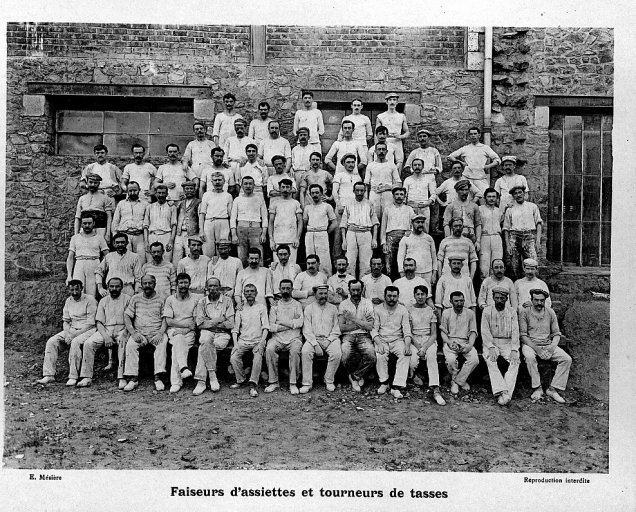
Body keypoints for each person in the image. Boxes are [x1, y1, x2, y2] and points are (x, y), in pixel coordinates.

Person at [36, 280, 97, 386]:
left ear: (81, 288)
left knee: (75, 343)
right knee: (52, 342)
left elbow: (91, 323)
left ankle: (73, 376)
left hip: (88, 330)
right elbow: (66, 321)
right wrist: (68, 334)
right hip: (72, 329)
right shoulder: (68, 301)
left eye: (76, 289)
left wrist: (73, 336)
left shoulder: (90, 300)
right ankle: (49, 375)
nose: (74, 292)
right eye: (72, 289)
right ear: (69, 289)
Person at [76, 277, 130, 389]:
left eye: (117, 286)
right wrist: (106, 337)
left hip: (123, 329)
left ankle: (122, 377)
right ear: (108, 287)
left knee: (123, 343)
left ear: (121, 287)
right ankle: (86, 377)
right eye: (111, 286)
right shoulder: (103, 301)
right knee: (88, 343)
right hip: (106, 329)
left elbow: (130, 320)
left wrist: (125, 333)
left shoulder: (127, 299)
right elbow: (99, 322)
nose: (114, 289)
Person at [520, 289, 571, 404]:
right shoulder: (525, 312)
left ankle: (552, 389)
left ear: (545, 301)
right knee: (529, 357)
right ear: (531, 300)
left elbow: (556, 334)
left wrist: (552, 347)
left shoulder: (550, 312)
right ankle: (537, 388)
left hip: (547, 344)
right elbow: (523, 336)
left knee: (566, 359)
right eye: (536, 300)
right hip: (530, 344)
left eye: (542, 301)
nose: (539, 303)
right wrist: (537, 350)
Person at [121, 274, 168, 392]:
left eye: (150, 283)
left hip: (155, 333)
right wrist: (133, 332)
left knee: (162, 344)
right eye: (145, 283)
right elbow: (127, 315)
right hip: (139, 333)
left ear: (155, 284)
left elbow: (165, 318)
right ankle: (133, 379)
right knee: (131, 345)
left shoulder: (161, 299)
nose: (147, 286)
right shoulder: (135, 298)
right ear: (141, 285)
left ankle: (158, 378)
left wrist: (160, 333)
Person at [192, 277, 235, 395]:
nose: (212, 288)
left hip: (222, 335)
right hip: (207, 333)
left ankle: (201, 382)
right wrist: (219, 320)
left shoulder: (227, 301)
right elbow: (200, 324)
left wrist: (210, 322)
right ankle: (212, 376)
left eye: (215, 286)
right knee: (206, 341)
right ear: (206, 288)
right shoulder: (202, 302)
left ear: (220, 288)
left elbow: (230, 323)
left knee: (204, 348)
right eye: (210, 286)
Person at [482, 287, 521, 406]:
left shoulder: (512, 312)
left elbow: (515, 332)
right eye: (497, 298)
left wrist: (514, 349)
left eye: (502, 298)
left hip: (508, 342)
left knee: (515, 361)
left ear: (506, 299)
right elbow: (485, 330)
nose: (499, 300)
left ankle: (506, 393)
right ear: (493, 298)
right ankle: (502, 391)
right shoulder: (487, 311)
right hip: (492, 342)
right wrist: (491, 347)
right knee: (491, 359)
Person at [408, 284, 445, 405]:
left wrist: (424, 347)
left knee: (431, 356)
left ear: (426, 296)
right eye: (417, 294)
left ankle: (435, 388)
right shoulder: (410, 310)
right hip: (414, 340)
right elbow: (409, 332)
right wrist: (419, 347)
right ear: (414, 295)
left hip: (428, 340)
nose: (420, 297)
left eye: (422, 294)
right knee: (412, 360)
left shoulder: (431, 311)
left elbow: (434, 334)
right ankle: (413, 376)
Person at [264, 279, 304, 395]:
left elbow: (300, 323)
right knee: (269, 349)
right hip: (277, 338)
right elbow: (271, 326)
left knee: (296, 350)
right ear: (280, 290)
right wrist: (291, 324)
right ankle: (273, 382)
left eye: (288, 288)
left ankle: (293, 383)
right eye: (283, 288)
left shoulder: (297, 305)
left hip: (294, 338)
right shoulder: (275, 306)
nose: (285, 291)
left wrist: (281, 322)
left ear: (292, 289)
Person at [300, 284, 342, 393]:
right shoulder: (309, 309)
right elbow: (307, 330)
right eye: (320, 293)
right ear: (315, 294)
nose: (323, 296)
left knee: (337, 353)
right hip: (313, 339)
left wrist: (329, 340)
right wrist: (315, 344)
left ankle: (329, 380)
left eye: (325, 293)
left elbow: (337, 328)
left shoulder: (333, 308)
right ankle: (307, 383)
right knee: (305, 352)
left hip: (330, 339)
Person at [372, 286, 412, 399]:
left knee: (405, 354)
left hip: (397, 340)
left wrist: (407, 345)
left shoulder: (403, 310)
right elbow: (373, 329)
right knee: (380, 355)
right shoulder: (378, 309)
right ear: (384, 296)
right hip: (382, 339)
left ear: (398, 297)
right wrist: (378, 343)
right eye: (389, 296)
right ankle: (384, 383)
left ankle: (396, 387)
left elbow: (407, 330)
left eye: (394, 296)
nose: (392, 298)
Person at [230, 284, 269, 397]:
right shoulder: (240, 309)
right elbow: (235, 329)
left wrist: (262, 342)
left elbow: (265, 327)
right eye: (247, 291)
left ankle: (253, 384)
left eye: (252, 291)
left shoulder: (261, 307)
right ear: (243, 294)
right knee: (234, 357)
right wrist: (236, 344)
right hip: (243, 340)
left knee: (257, 356)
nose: (249, 293)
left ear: (256, 293)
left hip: (258, 340)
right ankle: (240, 379)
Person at [163, 272, 199, 394]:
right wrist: (184, 326)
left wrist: (185, 329)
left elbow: (194, 321)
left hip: (189, 332)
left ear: (189, 284)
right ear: (177, 284)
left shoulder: (195, 299)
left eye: (185, 282)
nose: (183, 285)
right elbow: (168, 320)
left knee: (177, 348)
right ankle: (184, 368)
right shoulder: (170, 299)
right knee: (178, 340)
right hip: (174, 330)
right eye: (181, 283)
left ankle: (176, 382)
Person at [338, 279, 376, 392]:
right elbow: (342, 327)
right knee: (345, 355)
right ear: (349, 290)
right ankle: (358, 375)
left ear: (362, 289)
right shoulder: (343, 304)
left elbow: (369, 327)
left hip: (364, 335)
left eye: (358, 290)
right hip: (348, 335)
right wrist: (362, 322)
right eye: (353, 290)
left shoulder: (368, 303)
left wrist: (353, 319)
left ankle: (355, 376)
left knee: (371, 356)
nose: (355, 293)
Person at [440, 291, 479, 395]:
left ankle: (459, 381)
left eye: (461, 301)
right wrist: (448, 342)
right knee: (451, 360)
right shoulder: (446, 313)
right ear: (451, 301)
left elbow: (473, 331)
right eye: (456, 301)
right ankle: (454, 381)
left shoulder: (470, 313)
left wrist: (470, 345)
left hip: (465, 341)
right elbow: (443, 333)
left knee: (474, 359)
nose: (459, 303)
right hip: (450, 341)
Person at [447, 126, 501, 201]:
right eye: (471, 134)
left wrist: (488, 166)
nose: (473, 136)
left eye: (475, 133)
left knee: (485, 199)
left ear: (479, 135)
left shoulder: (485, 148)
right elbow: (450, 157)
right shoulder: (465, 148)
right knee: (467, 200)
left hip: (480, 177)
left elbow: (497, 159)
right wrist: (462, 163)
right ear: (469, 136)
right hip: (467, 177)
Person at [340, 181, 379, 278]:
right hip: (351, 233)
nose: (359, 193)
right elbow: (343, 223)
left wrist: (374, 239)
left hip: (366, 233)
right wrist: (344, 240)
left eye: (362, 190)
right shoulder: (349, 204)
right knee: (350, 261)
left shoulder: (369, 204)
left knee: (366, 263)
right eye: (357, 190)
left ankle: (364, 283)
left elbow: (375, 223)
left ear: (365, 191)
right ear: (353, 191)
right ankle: (350, 284)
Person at [503, 185, 542, 279]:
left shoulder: (532, 206)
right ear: (513, 196)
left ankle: (532, 286)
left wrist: (538, 240)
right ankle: (518, 285)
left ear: (524, 193)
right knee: (514, 265)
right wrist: (508, 245)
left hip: (529, 237)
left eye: (520, 192)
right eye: (515, 193)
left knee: (532, 263)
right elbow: (506, 229)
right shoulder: (510, 209)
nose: (518, 195)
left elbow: (539, 223)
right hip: (515, 237)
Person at [67, 212, 109, 297]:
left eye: (89, 223)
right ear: (81, 224)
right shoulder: (75, 238)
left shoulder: (99, 238)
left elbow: (107, 256)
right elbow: (70, 257)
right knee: (78, 291)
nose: (87, 225)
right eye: (84, 223)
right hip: (79, 264)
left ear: (93, 223)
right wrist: (69, 275)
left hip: (94, 264)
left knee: (92, 293)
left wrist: (102, 269)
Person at [230, 176, 268, 265]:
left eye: (250, 184)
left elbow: (265, 217)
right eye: (245, 184)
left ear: (254, 185)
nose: (248, 186)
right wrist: (234, 234)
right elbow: (233, 218)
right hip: (241, 230)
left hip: (256, 230)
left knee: (258, 257)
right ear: (241, 185)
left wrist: (264, 233)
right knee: (242, 257)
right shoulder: (237, 200)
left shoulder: (259, 199)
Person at [303, 184, 337, 276]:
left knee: (324, 259)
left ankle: (326, 279)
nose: (315, 195)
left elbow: (334, 223)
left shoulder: (327, 206)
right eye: (312, 193)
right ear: (310, 194)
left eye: (317, 192)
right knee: (310, 258)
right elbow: (305, 224)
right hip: (310, 234)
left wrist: (325, 232)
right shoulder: (307, 208)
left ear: (321, 193)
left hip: (322, 234)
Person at [95, 232, 143, 297]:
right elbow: (99, 271)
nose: (120, 244)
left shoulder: (135, 257)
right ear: (114, 243)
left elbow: (138, 277)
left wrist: (136, 292)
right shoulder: (109, 256)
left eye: (122, 242)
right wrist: (100, 288)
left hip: (127, 289)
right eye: (117, 242)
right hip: (112, 289)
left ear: (127, 243)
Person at [380, 188, 415, 280]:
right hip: (391, 238)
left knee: (404, 261)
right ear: (393, 196)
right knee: (389, 263)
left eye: (401, 194)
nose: (399, 196)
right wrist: (383, 243)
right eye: (397, 194)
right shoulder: (388, 209)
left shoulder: (409, 209)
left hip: (405, 237)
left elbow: (414, 223)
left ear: (404, 196)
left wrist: (410, 230)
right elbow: (383, 227)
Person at [332, 153, 362, 254]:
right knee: (339, 234)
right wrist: (338, 204)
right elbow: (334, 192)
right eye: (348, 162)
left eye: (353, 162)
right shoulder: (339, 176)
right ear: (343, 164)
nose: (351, 164)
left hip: (354, 208)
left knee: (351, 235)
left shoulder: (357, 177)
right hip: (342, 207)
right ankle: (337, 259)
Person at [364, 141, 401, 223]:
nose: (381, 151)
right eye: (379, 149)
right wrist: (366, 199)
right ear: (375, 151)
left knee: (387, 218)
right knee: (373, 218)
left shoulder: (392, 165)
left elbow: (399, 183)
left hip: (388, 194)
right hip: (374, 193)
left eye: (383, 149)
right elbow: (366, 184)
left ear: (387, 151)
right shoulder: (370, 165)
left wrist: (388, 187)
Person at [199, 171, 233, 258]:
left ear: (224, 181)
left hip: (223, 222)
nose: (217, 182)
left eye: (219, 180)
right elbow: (202, 214)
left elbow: (231, 215)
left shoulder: (228, 196)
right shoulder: (206, 195)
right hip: (209, 223)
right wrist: (201, 230)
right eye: (215, 180)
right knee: (208, 250)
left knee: (222, 249)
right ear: (212, 182)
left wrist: (231, 231)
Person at [112, 181, 148, 262]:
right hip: (125, 235)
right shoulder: (121, 204)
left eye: (135, 190)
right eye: (130, 191)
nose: (132, 193)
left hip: (139, 236)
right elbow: (115, 222)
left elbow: (147, 222)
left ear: (139, 190)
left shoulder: (145, 204)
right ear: (127, 191)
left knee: (141, 259)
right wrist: (115, 237)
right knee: (126, 260)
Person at [397, 214, 437, 283]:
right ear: (412, 223)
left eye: (422, 222)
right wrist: (402, 273)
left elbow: (434, 257)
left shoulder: (429, 238)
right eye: (418, 222)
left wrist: (434, 273)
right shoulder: (406, 238)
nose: (420, 224)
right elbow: (400, 257)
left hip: (427, 273)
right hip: (412, 273)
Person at [75, 173, 114, 243]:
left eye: (95, 183)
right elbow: (78, 217)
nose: (93, 185)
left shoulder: (105, 198)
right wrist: (76, 234)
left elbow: (109, 217)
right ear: (87, 183)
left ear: (99, 184)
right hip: (84, 230)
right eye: (90, 182)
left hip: (100, 229)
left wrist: (108, 233)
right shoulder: (82, 199)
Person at [376, 92, 409, 172]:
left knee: (399, 163)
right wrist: (377, 145)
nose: (392, 102)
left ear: (397, 102)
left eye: (394, 100)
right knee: (386, 164)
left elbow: (407, 132)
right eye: (390, 100)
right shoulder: (381, 116)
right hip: (386, 142)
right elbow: (376, 133)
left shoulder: (401, 116)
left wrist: (400, 136)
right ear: (387, 102)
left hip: (397, 142)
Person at [443, 179, 482, 247]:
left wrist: (478, 241)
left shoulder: (474, 206)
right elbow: (446, 224)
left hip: (471, 234)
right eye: (461, 190)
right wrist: (448, 240)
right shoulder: (451, 206)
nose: (464, 192)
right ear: (457, 191)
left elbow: (478, 224)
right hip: (455, 235)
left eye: (466, 190)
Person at [143, 183, 177, 263]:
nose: (161, 195)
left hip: (166, 235)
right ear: (155, 193)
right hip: (152, 236)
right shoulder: (149, 207)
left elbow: (174, 225)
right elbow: (145, 226)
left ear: (167, 194)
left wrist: (171, 241)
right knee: (150, 261)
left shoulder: (172, 207)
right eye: (159, 193)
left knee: (166, 260)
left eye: (163, 193)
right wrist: (146, 242)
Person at [403, 158, 437, 232]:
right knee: (410, 230)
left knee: (424, 231)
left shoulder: (428, 179)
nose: (417, 167)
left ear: (423, 166)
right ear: (412, 167)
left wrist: (428, 202)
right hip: (411, 208)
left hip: (424, 208)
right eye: (415, 165)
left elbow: (433, 194)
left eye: (419, 165)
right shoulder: (408, 180)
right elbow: (404, 195)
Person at [478, 187, 504, 279]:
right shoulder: (479, 209)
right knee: (484, 267)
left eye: (494, 196)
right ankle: (484, 290)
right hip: (484, 237)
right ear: (485, 198)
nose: (492, 199)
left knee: (497, 264)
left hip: (496, 238)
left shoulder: (499, 211)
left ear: (497, 198)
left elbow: (501, 222)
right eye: (489, 197)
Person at [174, 181, 201, 261]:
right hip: (179, 233)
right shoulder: (180, 203)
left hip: (192, 234)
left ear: (194, 190)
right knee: (177, 255)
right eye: (187, 189)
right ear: (184, 190)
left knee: (189, 255)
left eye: (191, 189)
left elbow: (200, 219)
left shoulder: (198, 202)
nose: (189, 190)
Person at [291, 127, 313, 192]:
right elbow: (292, 163)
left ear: (308, 137)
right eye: (301, 135)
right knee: (296, 192)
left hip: (308, 173)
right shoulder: (295, 149)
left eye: (305, 135)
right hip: (297, 174)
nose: (303, 137)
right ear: (298, 137)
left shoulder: (313, 148)